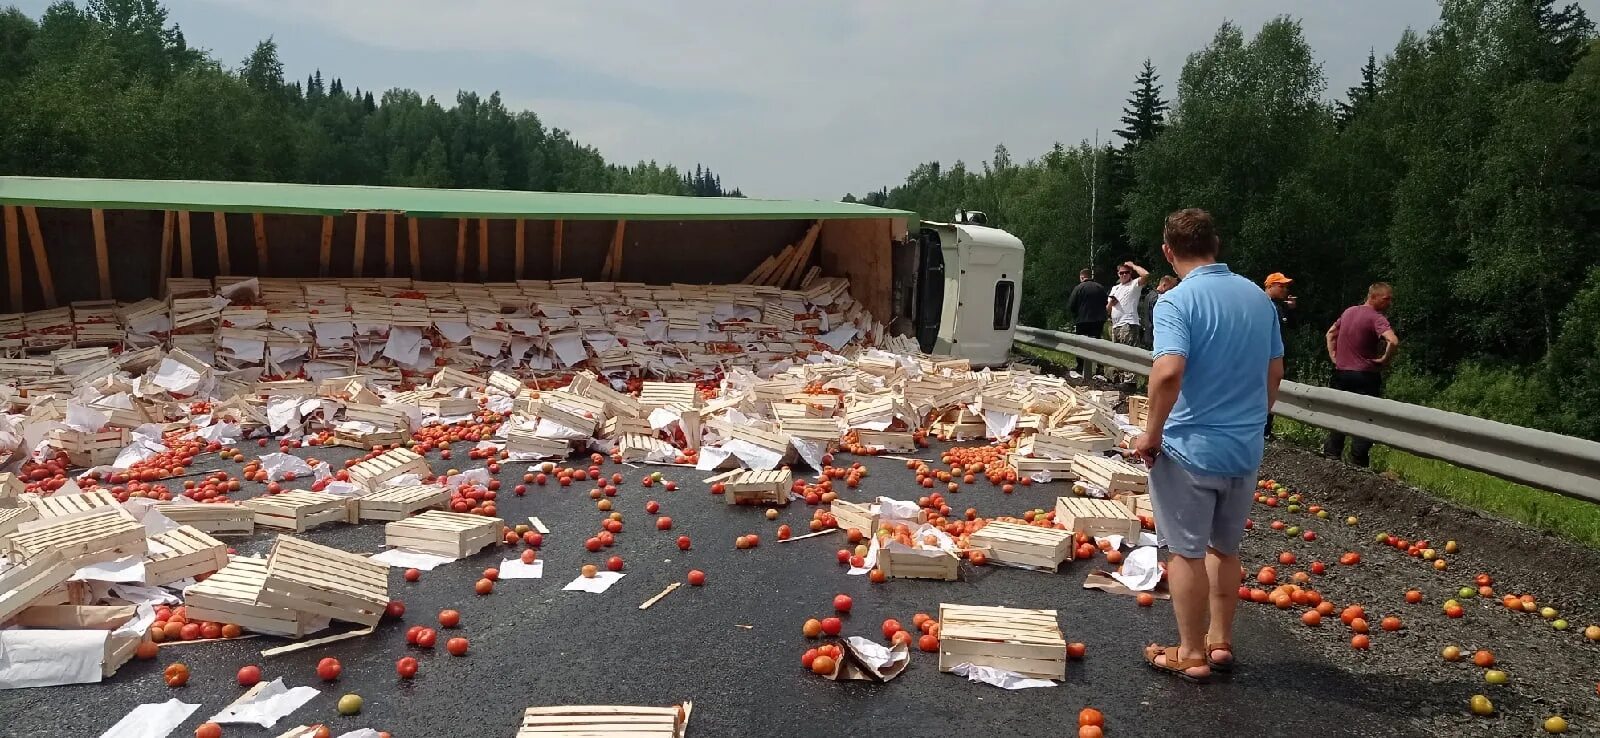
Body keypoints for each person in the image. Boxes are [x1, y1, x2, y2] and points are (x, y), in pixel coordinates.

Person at [1132, 208, 1284, 683]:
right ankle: (1220, 642)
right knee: (1225, 548)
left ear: (1167, 251)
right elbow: (1273, 372)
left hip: (1191, 449)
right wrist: (1254, 422)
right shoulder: (1260, 300)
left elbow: (1170, 371)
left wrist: (1151, 433)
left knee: (1186, 553)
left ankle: (1191, 653)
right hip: (1244, 448)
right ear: (1216, 244)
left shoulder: (1176, 302)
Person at [1323, 283, 1399, 467]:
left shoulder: (1349, 312)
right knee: (1366, 417)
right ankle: (1358, 459)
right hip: (1365, 375)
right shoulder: (1376, 317)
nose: (1389, 302)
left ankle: (1332, 453)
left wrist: (1334, 356)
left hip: (1342, 372)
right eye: (1386, 298)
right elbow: (1393, 341)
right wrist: (1384, 360)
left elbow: (1330, 333)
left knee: (1340, 412)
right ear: (1373, 297)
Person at [1262, 273, 1295, 438]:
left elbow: (1287, 329)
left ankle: (1266, 429)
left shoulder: (1279, 306)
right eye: (1281, 286)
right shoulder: (1262, 304)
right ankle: (1262, 430)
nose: (1285, 289)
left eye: (1286, 286)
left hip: (1275, 357)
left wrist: (1290, 311)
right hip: (1264, 358)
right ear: (1270, 286)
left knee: (1271, 390)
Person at [1106, 261, 1149, 383]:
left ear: (1130, 273)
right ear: (1118, 274)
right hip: (1115, 325)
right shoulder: (1115, 288)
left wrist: (1134, 266)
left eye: (1126, 272)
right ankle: (1119, 379)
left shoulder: (1134, 284)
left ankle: (1130, 381)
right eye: (1121, 273)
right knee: (1117, 355)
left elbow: (1146, 275)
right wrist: (1111, 303)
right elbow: (1107, 309)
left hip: (1128, 323)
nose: (1124, 275)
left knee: (1129, 354)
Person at [1066, 268, 1109, 376]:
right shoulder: (1100, 287)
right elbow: (1105, 302)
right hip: (1098, 321)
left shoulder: (1078, 288)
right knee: (1097, 344)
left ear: (1082, 277)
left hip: (1082, 320)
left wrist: (1076, 315)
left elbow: (1071, 305)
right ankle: (1100, 368)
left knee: (1080, 344)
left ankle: (1081, 366)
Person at [1140, 276, 1179, 348]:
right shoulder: (1160, 298)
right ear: (1164, 285)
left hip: (1147, 336)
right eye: (1171, 288)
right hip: (1156, 338)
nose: (1172, 291)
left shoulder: (1149, 295)